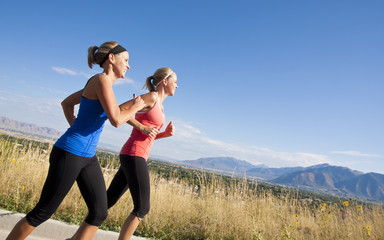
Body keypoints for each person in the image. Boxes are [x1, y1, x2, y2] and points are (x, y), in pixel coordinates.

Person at [6, 41, 146, 240]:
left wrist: (76, 125)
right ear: (111, 58)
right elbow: (116, 119)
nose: (129, 65)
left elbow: (67, 103)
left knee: (99, 212)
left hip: (88, 156)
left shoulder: (101, 85)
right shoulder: (100, 80)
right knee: (43, 211)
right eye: (126, 60)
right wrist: (136, 106)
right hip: (69, 153)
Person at [106, 67, 178, 240]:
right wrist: (141, 126)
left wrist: (164, 134)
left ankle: (78, 236)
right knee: (142, 208)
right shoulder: (151, 98)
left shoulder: (160, 106)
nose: (177, 86)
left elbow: (148, 135)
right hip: (134, 154)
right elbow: (119, 110)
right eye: (175, 82)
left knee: (107, 202)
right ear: (165, 82)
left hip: (133, 154)